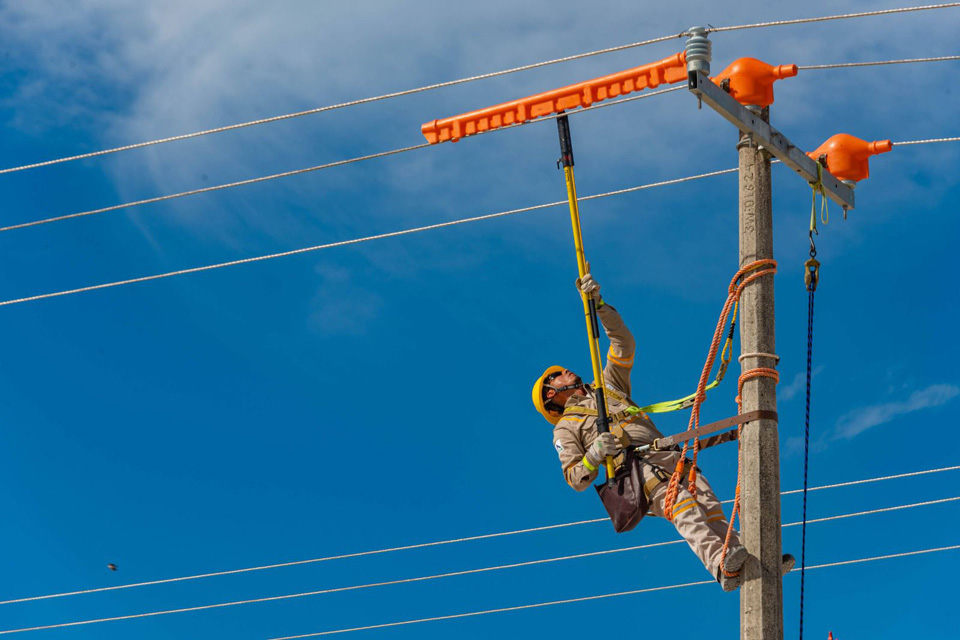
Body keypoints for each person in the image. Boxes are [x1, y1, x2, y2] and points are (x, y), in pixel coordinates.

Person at [531, 270, 793, 591]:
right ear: (550, 394)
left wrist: (598, 306)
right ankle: (720, 564)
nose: (564, 371)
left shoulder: (607, 388)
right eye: (556, 376)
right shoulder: (565, 429)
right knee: (683, 507)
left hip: (668, 454)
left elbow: (623, 344)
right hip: (638, 470)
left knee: (710, 509)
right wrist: (595, 453)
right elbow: (575, 477)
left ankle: (753, 566)